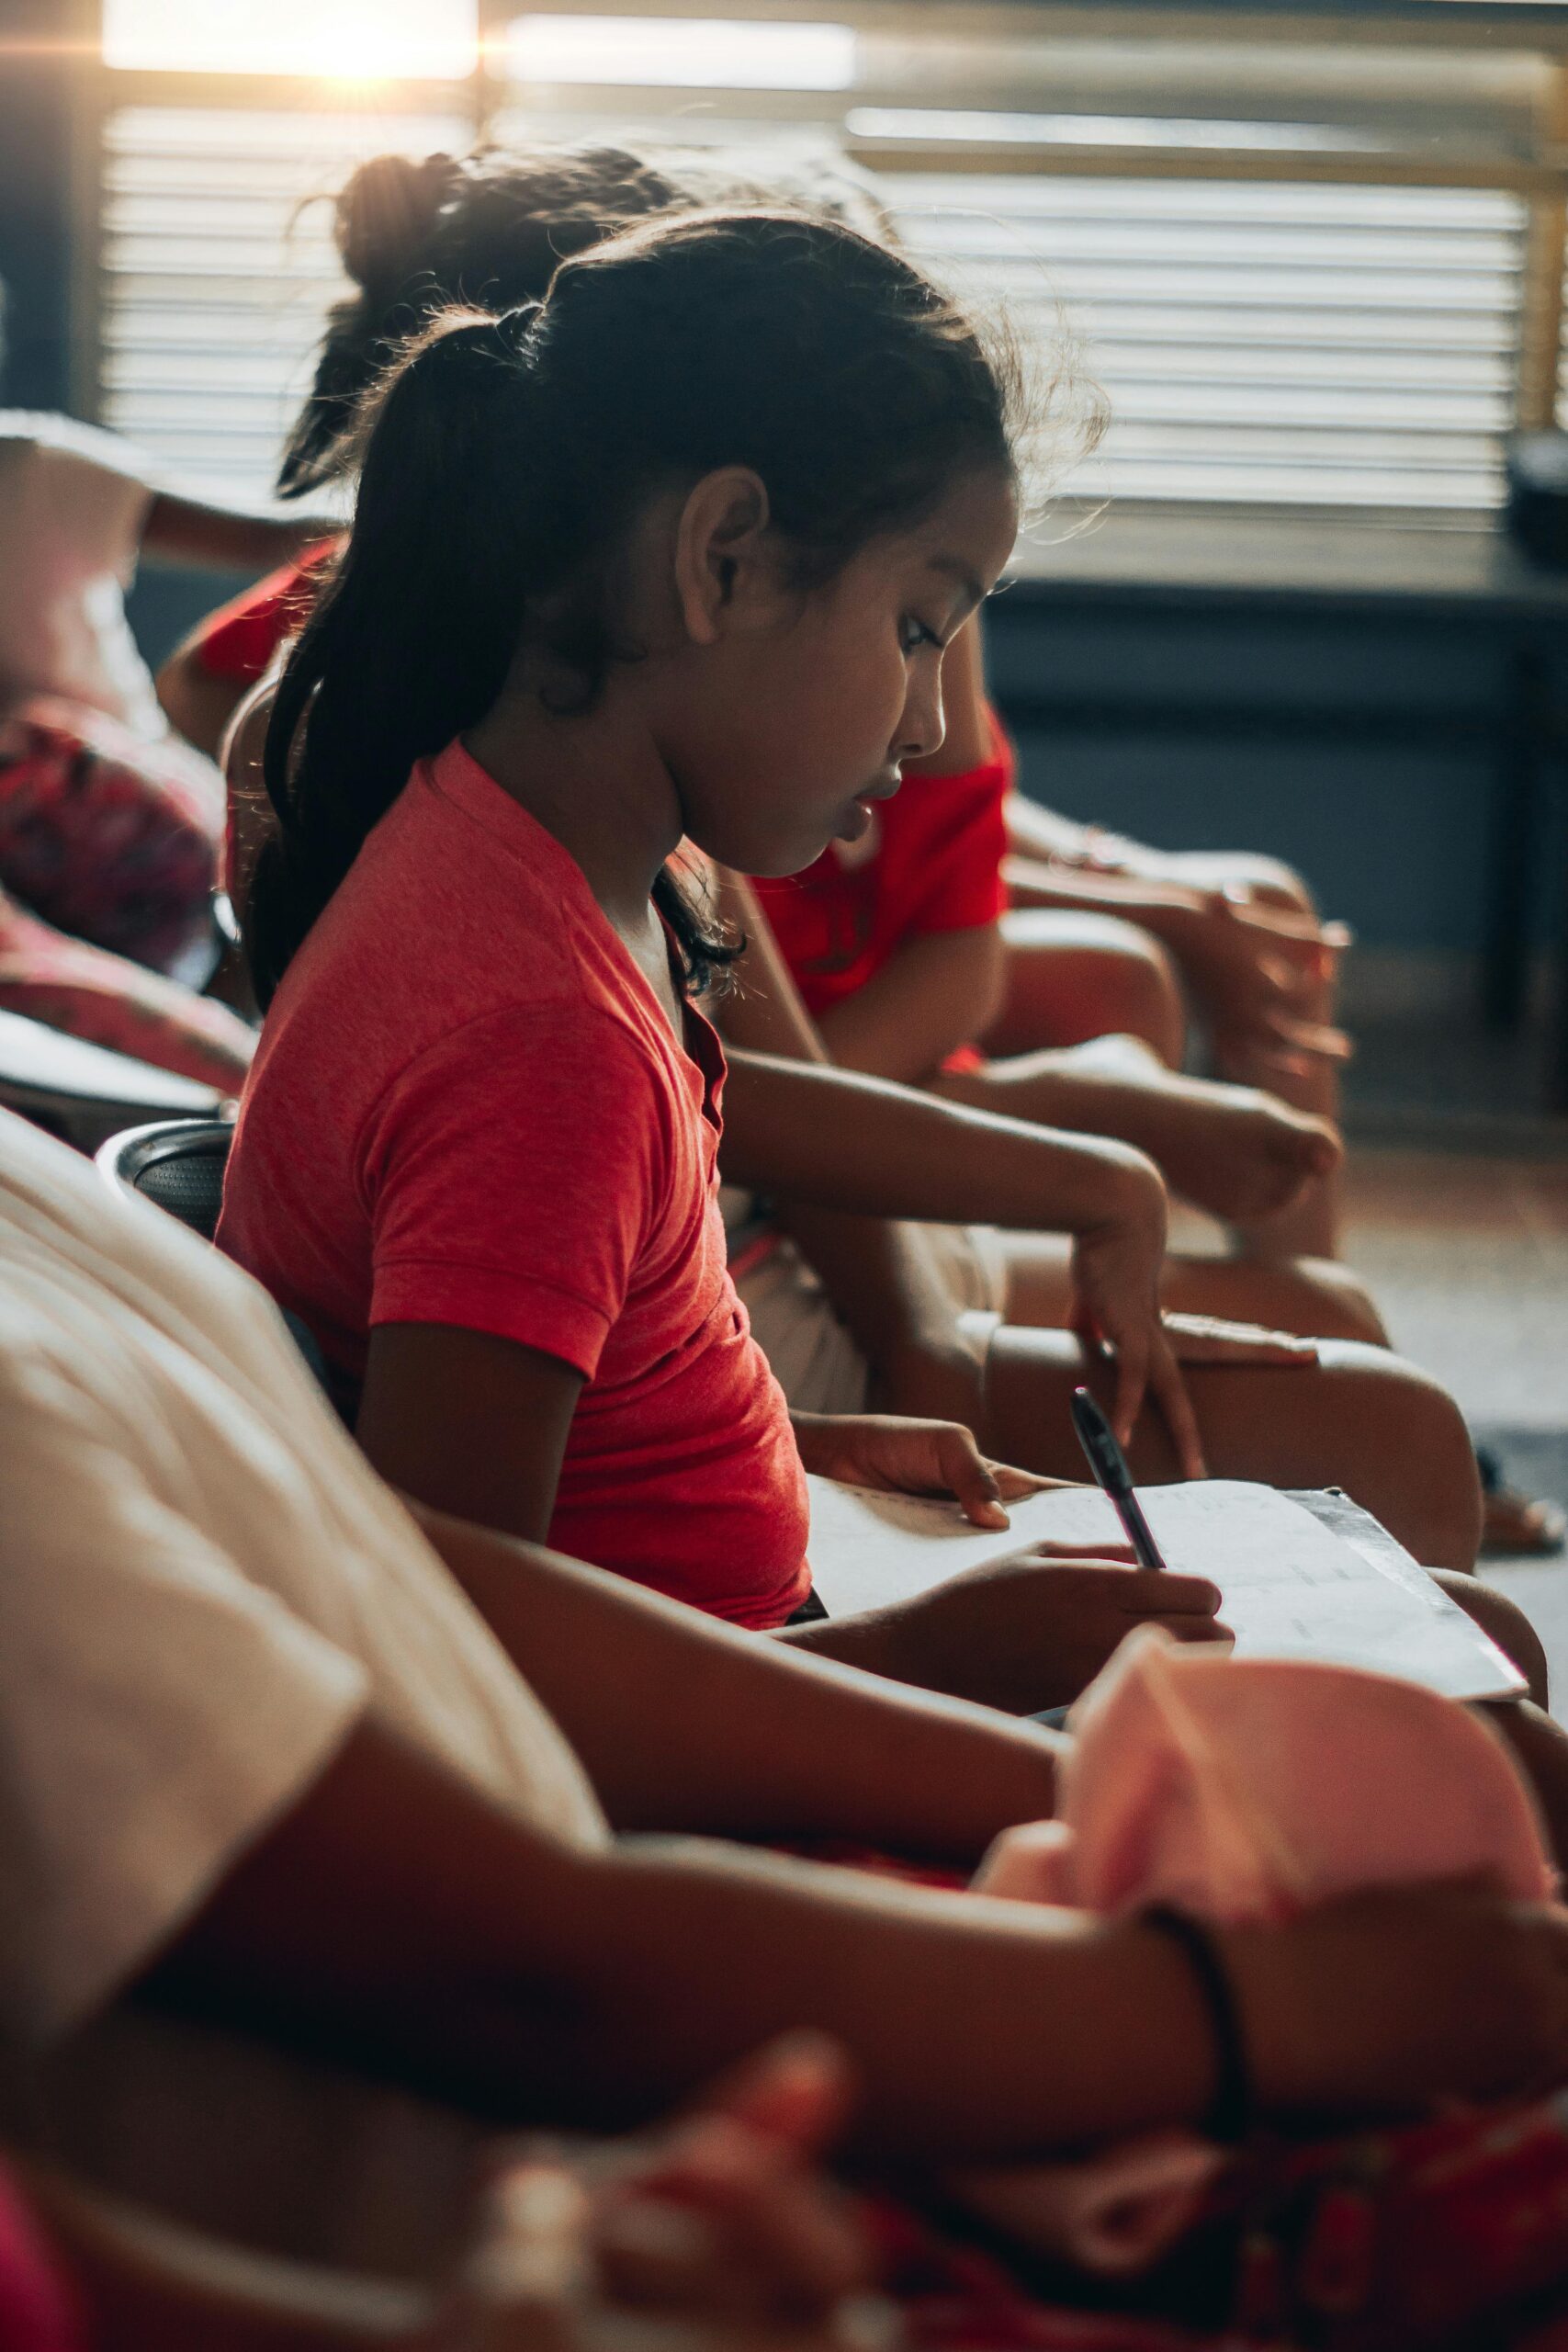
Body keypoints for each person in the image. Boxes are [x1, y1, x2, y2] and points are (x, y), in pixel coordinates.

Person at [9, 1099, 1568, 2220]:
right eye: (909, 628)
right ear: (699, 612)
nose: (925, 723)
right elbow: (523, 1975)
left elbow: (422, 1574)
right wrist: (1257, 2013)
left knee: (1490, 1753)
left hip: (629, 1909)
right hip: (543, 2158)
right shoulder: (513, 1015)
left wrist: (1097, 1781)